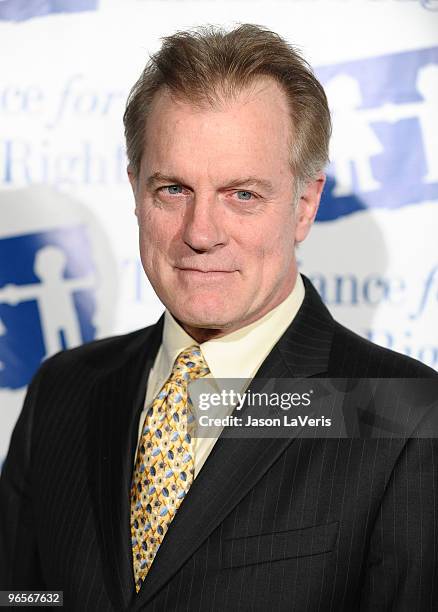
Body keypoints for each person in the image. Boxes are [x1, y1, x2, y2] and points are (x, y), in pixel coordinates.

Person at [0, 23, 437, 612]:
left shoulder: (400, 416)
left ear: (304, 205)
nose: (200, 233)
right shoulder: (63, 390)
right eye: (173, 189)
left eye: (243, 194)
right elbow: (26, 596)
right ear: (135, 191)